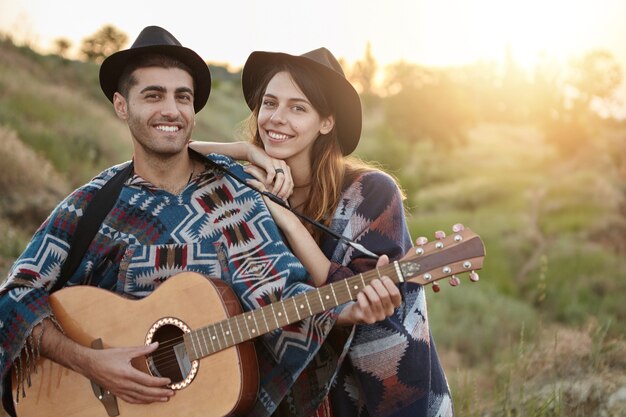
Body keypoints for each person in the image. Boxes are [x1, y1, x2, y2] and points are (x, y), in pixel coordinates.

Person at [0, 27, 402, 417]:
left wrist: (344, 311)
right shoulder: (93, 204)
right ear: (122, 106)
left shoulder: (237, 191)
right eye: (153, 95)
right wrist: (90, 362)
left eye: (183, 97)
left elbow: (275, 292)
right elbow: (13, 297)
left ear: (193, 109)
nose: (170, 110)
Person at [190, 47, 454, 416]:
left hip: (370, 396)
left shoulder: (371, 192)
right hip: (279, 393)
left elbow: (348, 291)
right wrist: (245, 153)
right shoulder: (241, 184)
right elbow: (171, 153)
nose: (277, 119)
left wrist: (285, 218)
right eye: (270, 104)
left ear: (326, 122)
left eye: (298, 108)